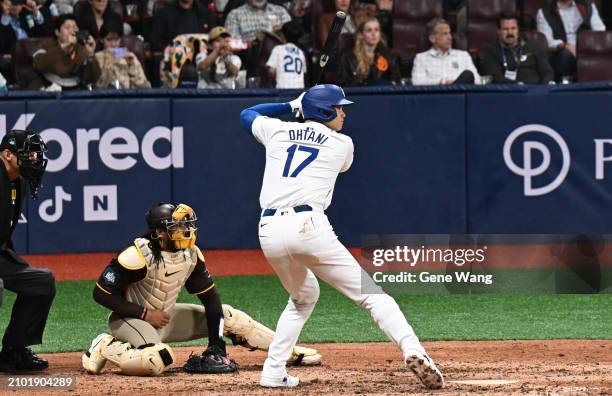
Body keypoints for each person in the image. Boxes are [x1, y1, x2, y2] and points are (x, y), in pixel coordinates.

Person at [239, 85, 444, 389]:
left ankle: (272, 371)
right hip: (308, 226)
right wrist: (302, 111)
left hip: (268, 230)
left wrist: (290, 106)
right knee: (374, 297)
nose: (344, 113)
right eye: (338, 107)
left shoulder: (278, 131)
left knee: (303, 296)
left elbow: (247, 114)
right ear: (323, 111)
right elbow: (330, 153)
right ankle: (414, 350)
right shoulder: (342, 144)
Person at [82, 202, 321, 376]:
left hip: (166, 318)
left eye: (186, 226)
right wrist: (145, 314)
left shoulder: (190, 255)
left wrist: (216, 344)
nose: (185, 231)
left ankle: (288, 352)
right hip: (130, 320)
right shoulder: (136, 256)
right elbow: (101, 293)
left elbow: (211, 300)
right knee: (158, 359)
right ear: (159, 232)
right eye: (176, 227)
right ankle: (106, 345)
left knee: (227, 316)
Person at [0, 129, 55, 372]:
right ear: (7, 154)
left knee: (41, 281)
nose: (34, 160)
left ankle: (13, 352)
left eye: (35, 155)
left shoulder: (16, 182)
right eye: (28, 154)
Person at [537, 0, 606, 82]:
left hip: (586, 48)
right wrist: (566, 46)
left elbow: (600, 31)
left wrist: (583, 48)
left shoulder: (588, 6)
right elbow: (546, 41)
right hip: (562, 52)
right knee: (565, 55)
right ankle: (565, 85)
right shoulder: (544, 12)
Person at [31, 14, 100, 90]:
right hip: (48, 87)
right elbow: (37, 64)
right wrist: (62, 48)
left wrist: (90, 54)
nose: (72, 31)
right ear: (57, 32)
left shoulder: (82, 49)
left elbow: (92, 78)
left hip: (75, 90)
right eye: (67, 28)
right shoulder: (46, 45)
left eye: (75, 28)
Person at [480, 14, 554, 84]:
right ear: (499, 31)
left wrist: (542, 89)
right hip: (510, 92)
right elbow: (495, 78)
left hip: (536, 91)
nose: (510, 32)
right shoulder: (492, 52)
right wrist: (516, 85)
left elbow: (547, 72)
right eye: (505, 29)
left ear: (518, 30)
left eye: (513, 28)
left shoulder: (535, 47)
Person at [412, 17, 480, 85]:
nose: (450, 37)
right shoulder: (421, 58)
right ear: (432, 38)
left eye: (450, 33)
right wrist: (443, 82)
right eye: (445, 34)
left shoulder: (463, 56)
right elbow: (417, 81)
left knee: (467, 75)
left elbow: (477, 80)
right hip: (437, 94)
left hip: (460, 93)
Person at [338, 16, 399, 86]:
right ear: (361, 34)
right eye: (369, 30)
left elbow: (396, 81)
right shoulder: (349, 57)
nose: (373, 34)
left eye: (376, 30)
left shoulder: (389, 55)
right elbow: (344, 84)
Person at [94, 23, 150, 89]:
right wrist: (106, 66)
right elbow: (98, 87)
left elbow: (143, 85)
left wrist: (131, 65)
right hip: (105, 97)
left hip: (126, 95)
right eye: (109, 40)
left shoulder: (129, 56)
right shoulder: (97, 58)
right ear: (102, 40)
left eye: (116, 40)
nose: (113, 44)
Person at [150, 0, 217, 52]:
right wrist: (168, 49)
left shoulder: (207, 14)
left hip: (203, 61)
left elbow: (214, 40)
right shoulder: (163, 14)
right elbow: (155, 43)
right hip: (175, 60)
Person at [224, 0, 291, 43]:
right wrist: (252, 42)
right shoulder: (235, 15)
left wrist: (280, 34)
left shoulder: (280, 12)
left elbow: (292, 40)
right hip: (248, 60)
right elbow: (232, 44)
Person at [266, 20, 306, 89]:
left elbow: (271, 71)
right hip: (299, 90)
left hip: (283, 90)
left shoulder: (278, 49)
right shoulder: (301, 52)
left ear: (283, 36)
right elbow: (303, 73)